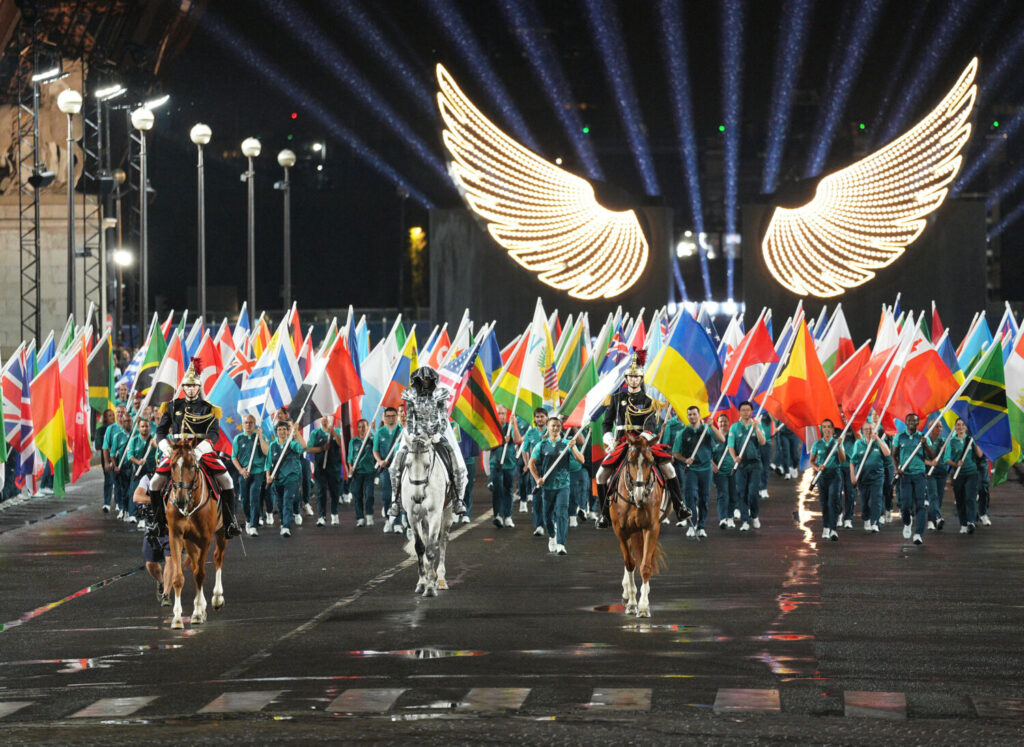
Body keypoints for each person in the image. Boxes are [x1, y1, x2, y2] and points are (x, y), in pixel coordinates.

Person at [595, 349, 689, 529]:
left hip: (644, 443)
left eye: (636, 377)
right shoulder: (615, 398)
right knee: (600, 475)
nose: (633, 380)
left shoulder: (648, 400)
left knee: (669, 469)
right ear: (626, 378)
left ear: (641, 379)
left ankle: (680, 506)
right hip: (621, 442)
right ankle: (604, 513)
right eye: (630, 376)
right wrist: (609, 440)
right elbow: (606, 424)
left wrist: (642, 440)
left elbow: (651, 425)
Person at [151, 361, 241, 539]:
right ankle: (158, 522)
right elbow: (160, 431)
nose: (190, 389)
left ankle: (230, 522)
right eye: (187, 386)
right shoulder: (173, 406)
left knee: (227, 480)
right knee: (155, 483)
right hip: (176, 452)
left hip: (201, 451)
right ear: (183, 387)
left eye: (193, 386)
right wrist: (166, 448)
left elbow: (214, 434)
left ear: (199, 387)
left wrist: (200, 450)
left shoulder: (209, 408)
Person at [388, 366, 468, 517]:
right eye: (422, 379)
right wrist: (412, 434)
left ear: (433, 380)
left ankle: (458, 499)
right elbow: (410, 418)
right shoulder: (411, 395)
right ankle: (395, 501)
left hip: (435, 435)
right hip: (415, 435)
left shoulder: (439, 395)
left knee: (458, 464)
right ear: (417, 380)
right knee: (394, 466)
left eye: (428, 379)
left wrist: (437, 433)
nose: (425, 382)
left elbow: (443, 418)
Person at [528, 414, 584, 555]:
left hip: (563, 486)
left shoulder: (566, 444)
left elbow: (581, 460)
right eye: (552, 426)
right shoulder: (541, 445)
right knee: (547, 517)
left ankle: (561, 544)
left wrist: (574, 448)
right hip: (547, 487)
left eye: (558, 426)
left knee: (561, 513)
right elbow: (531, 463)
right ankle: (552, 536)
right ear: (548, 428)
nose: (555, 428)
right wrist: (537, 479)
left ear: (561, 428)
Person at [673, 406, 725, 538]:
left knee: (704, 498)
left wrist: (712, 426)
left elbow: (722, 439)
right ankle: (692, 525)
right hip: (691, 470)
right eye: (689, 414)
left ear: (699, 415)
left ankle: (701, 526)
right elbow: (675, 453)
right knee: (691, 497)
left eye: (694, 414)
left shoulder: (707, 430)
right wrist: (685, 460)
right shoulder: (683, 433)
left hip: (706, 469)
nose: (692, 417)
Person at [892, 412, 934, 545]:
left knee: (920, 504)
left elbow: (931, 455)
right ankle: (907, 522)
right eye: (909, 421)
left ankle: (918, 534)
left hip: (919, 474)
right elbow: (894, 454)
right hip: (905, 475)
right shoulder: (899, 437)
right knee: (905, 505)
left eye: (914, 421)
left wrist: (925, 444)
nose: (911, 423)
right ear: (906, 422)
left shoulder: (923, 437)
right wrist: (896, 468)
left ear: (917, 423)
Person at [727, 401, 768, 532]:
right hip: (741, 465)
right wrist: (735, 459)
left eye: (748, 410)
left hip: (755, 464)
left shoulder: (756, 425)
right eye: (743, 410)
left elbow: (763, 442)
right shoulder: (734, 427)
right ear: (739, 412)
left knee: (753, 492)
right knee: (741, 492)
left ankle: (754, 515)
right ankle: (745, 520)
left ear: (752, 412)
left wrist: (756, 428)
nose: (745, 412)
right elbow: (731, 446)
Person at [132, 474, 171, 606]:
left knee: (170, 560)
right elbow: (137, 497)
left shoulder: (177, 476)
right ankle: (161, 582)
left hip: (171, 526)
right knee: (150, 564)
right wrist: (158, 500)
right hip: (152, 526)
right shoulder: (148, 477)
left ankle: (166, 594)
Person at [265, 421, 307, 537]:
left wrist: (297, 431)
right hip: (277, 479)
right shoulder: (273, 446)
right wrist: (268, 476)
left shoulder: (292, 444)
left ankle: (286, 527)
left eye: (284, 429)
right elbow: (268, 463)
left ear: (288, 431)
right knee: (279, 502)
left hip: (292, 478)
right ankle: (284, 521)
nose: (282, 432)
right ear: (276, 432)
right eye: (279, 430)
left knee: (287, 499)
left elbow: (303, 447)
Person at [848, 421, 889, 532]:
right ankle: (866, 518)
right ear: (862, 431)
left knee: (876, 499)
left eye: (870, 429)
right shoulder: (859, 444)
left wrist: (878, 439)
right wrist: (853, 475)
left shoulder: (879, 442)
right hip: (863, 477)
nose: (868, 431)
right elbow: (852, 461)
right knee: (864, 501)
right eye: (866, 429)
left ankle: (875, 522)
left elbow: (887, 453)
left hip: (877, 476)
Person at [232, 414, 269, 536]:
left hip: (257, 472)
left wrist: (260, 437)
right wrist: (241, 470)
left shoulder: (260, 436)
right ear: (243, 424)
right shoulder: (238, 438)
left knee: (254, 498)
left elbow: (266, 452)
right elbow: (233, 458)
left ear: (254, 424)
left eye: (251, 423)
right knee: (244, 499)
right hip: (244, 474)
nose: (248, 425)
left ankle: (253, 525)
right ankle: (248, 520)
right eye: (246, 422)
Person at [944, 418, 983, 534]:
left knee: (970, 497)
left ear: (966, 427)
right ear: (955, 427)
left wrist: (976, 442)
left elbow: (980, 455)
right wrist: (955, 464)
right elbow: (946, 459)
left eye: (962, 425)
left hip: (972, 472)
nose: (960, 427)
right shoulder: (951, 441)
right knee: (960, 498)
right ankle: (963, 523)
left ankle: (971, 521)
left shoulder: (970, 439)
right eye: (958, 425)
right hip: (958, 474)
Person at [810, 418, 846, 541]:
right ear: (822, 430)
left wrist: (840, 446)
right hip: (822, 477)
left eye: (829, 427)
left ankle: (833, 529)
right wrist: (817, 468)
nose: (826, 429)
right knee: (824, 503)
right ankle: (826, 527)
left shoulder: (837, 442)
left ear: (832, 429)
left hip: (835, 475)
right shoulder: (817, 444)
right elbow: (812, 461)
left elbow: (842, 460)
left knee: (833, 501)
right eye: (824, 427)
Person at [308, 415, 344, 527]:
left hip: (334, 468)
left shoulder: (337, 431)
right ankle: (321, 517)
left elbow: (342, 445)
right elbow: (309, 448)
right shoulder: (315, 433)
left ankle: (334, 515)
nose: (325, 419)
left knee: (334, 492)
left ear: (331, 418)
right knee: (320, 492)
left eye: (327, 416)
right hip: (320, 468)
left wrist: (333, 434)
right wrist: (321, 448)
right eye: (323, 417)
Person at [372, 407, 404, 532]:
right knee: (386, 496)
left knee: (398, 496)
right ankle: (388, 520)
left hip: (399, 468)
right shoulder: (380, 432)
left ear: (397, 417)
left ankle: (397, 522)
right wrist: (380, 461)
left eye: (393, 416)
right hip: (385, 468)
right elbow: (375, 450)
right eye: (388, 416)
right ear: (384, 418)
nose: (390, 418)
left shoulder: (402, 431)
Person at [489, 404, 520, 528]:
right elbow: (487, 446)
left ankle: (508, 516)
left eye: (502, 413)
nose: (500, 416)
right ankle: (498, 515)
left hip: (510, 464)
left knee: (508, 489)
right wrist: (501, 440)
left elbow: (517, 440)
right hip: (496, 464)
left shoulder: (509, 427)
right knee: (497, 489)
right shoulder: (491, 428)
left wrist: (514, 424)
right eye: (498, 413)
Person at [126, 418, 157, 526]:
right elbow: (129, 455)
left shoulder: (153, 440)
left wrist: (156, 446)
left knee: (147, 494)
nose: (144, 428)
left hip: (150, 472)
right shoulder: (134, 440)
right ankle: (132, 514)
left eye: (146, 426)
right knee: (134, 492)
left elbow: (161, 454)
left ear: (149, 428)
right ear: (139, 428)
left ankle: (143, 518)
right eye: (142, 426)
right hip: (138, 472)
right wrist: (138, 462)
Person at [103, 407, 132, 523]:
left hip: (129, 464)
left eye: (122, 412)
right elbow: (106, 447)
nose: (120, 414)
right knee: (118, 485)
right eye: (118, 412)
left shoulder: (132, 429)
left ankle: (127, 509)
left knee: (129, 487)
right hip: (115, 462)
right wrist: (107, 462)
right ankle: (120, 506)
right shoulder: (111, 429)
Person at [519, 408, 547, 526]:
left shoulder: (551, 432)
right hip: (535, 468)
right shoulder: (530, 433)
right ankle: (538, 525)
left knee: (549, 496)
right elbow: (524, 450)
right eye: (537, 417)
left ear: (546, 418)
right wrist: (527, 464)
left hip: (549, 469)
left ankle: (551, 522)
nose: (539, 419)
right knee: (536, 497)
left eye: (542, 416)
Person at [348, 419, 377, 526]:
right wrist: (350, 467)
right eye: (359, 427)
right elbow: (350, 457)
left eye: (364, 426)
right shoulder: (353, 441)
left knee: (369, 495)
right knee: (357, 494)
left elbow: (378, 448)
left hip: (369, 471)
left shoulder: (372, 440)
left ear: (367, 427)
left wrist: (373, 430)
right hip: (357, 472)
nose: (362, 429)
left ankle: (369, 515)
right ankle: (360, 517)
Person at [711, 414, 737, 529]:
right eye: (721, 421)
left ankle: (730, 517)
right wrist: (713, 465)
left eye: (725, 421)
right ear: (717, 423)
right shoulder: (713, 437)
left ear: (729, 423)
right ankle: (723, 518)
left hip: (732, 471)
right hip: (719, 472)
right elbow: (708, 454)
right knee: (723, 494)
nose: (723, 424)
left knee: (733, 494)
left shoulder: (733, 437)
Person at [923, 419, 948, 531]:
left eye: (940, 427)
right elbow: (920, 457)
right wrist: (930, 463)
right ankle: (938, 517)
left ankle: (931, 520)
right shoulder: (924, 441)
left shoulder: (944, 441)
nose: (939, 429)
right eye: (936, 426)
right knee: (933, 496)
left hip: (942, 472)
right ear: (930, 428)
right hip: (930, 473)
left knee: (939, 498)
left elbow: (948, 456)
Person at [456, 424, 479, 524]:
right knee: (455, 487)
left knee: (468, 487)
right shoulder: (452, 424)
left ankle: (466, 513)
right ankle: (455, 512)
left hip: (469, 461)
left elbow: (476, 445)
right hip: (455, 461)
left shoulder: (471, 425)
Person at [95, 408, 115, 512]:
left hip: (118, 458)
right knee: (109, 480)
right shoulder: (101, 430)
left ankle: (120, 503)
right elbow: (98, 446)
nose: (113, 417)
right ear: (105, 418)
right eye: (110, 415)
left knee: (119, 481)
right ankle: (107, 503)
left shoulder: (118, 428)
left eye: (113, 415)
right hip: (106, 458)